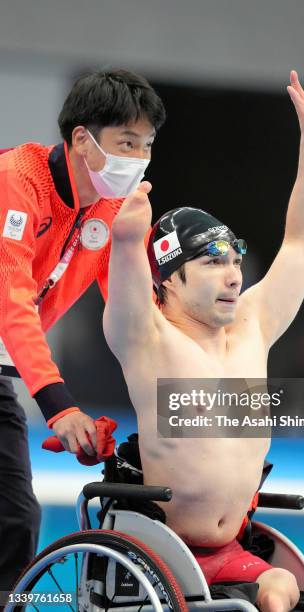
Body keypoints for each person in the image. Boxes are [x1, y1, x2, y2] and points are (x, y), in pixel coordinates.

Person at [104, 70, 304, 612]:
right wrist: (129, 238)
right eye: (211, 263)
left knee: (280, 591)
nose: (234, 275)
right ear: (169, 282)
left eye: (234, 260)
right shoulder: (148, 340)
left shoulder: (252, 325)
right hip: (164, 553)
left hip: (233, 550)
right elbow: (126, 292)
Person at [0, 68, 165, 590]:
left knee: (15, 519)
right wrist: (59, 406)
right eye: (126, 143)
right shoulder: (16, 182)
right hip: (10, 339)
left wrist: (178, 390)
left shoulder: (114, 208)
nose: (137, 159)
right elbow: (12, 303)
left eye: (147, 145)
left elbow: (136, 313)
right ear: (81, 139)